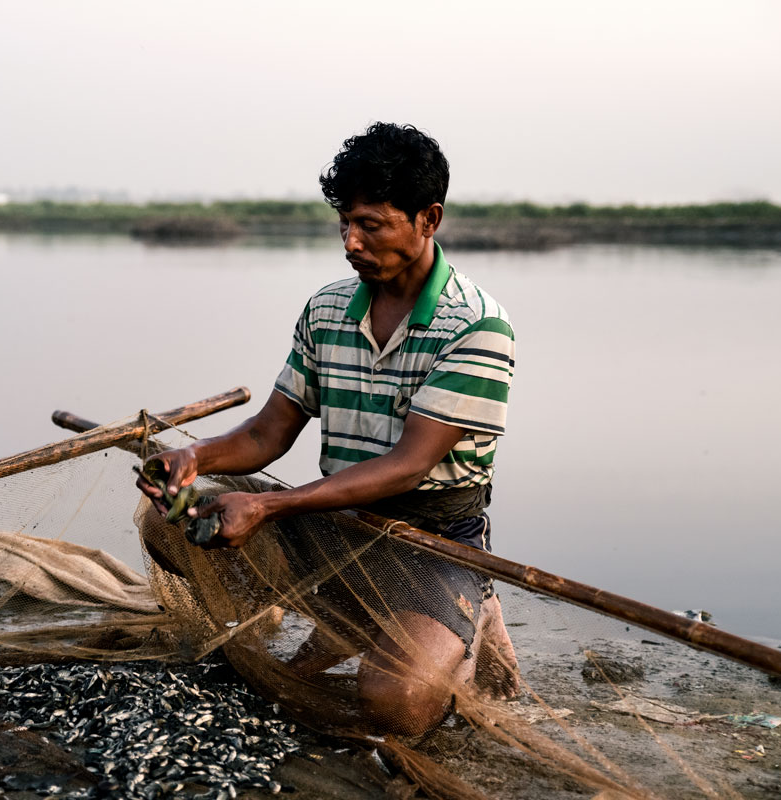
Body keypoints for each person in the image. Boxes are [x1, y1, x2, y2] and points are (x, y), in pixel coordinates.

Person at [137, 122, 519, 736]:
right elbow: (268, 434)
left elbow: (408, 465)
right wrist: (197, 457)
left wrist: (270, 508)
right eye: (344, 222)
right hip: (335, 522)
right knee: (170, 523)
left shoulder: (476, 327)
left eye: (371, 224)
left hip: (429, 539)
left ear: (429, 219)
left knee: (393, 702)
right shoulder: (326, 308)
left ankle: (469, 609)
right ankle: (350, 613)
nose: (350, 241)